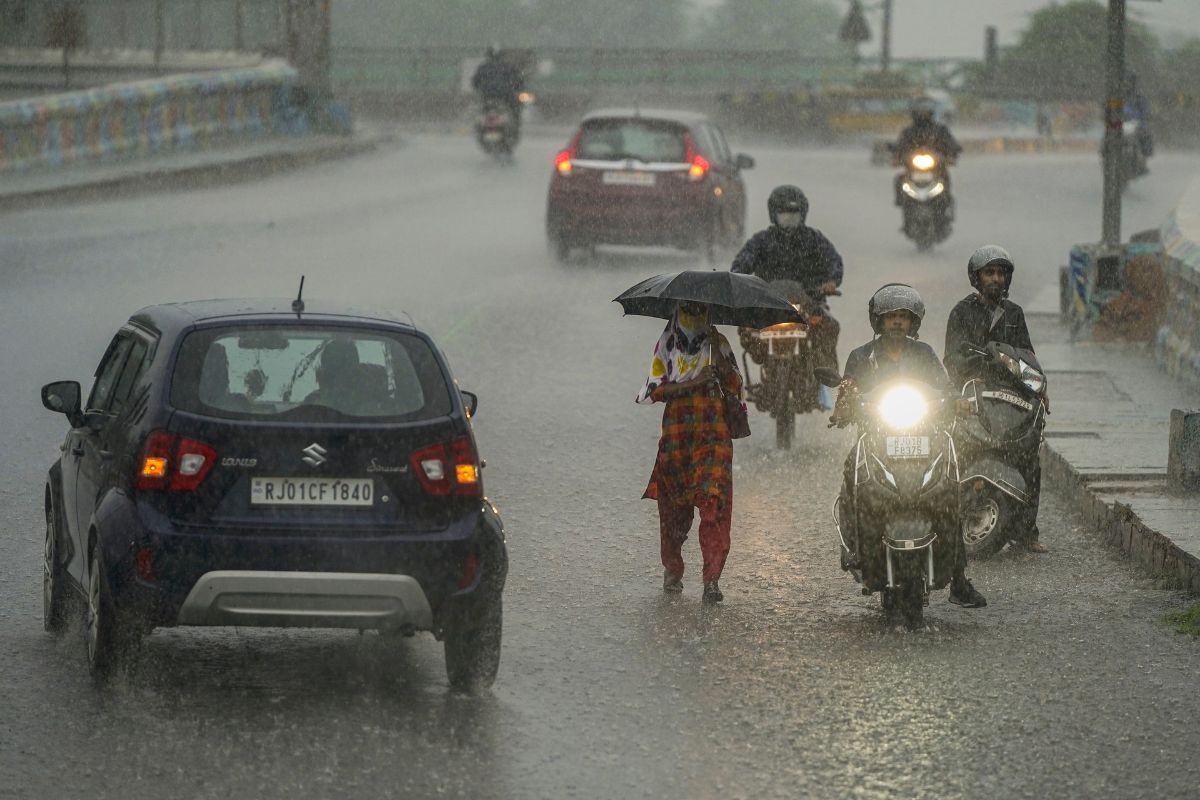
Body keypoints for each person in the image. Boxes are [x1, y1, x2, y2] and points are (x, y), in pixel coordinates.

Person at [832, 283, 988, 608]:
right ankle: (856, 549)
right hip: (876, 440)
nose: (898, 323)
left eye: (904, 317)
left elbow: (945, 386)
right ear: (879, 321)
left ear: (913, 322)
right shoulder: (862, 356)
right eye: (891, 317)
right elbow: (847, 389)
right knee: (853, 479)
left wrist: (957, 401)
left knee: (950, 494)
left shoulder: (925, 354)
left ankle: (958, 579)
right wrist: (845, 402)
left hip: (925, 438)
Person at [943, 245, 1048, 554]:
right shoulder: (961, 312)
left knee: (1030, 457)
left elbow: (1027, 356)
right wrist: (971, 376)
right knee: (953, 449)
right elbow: (952, 359)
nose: (995, 279)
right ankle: (944, 518)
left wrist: (1039, 387)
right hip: (972, 393)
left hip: (1009, 395)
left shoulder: (1014, 313)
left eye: (1001, 273)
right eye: (989, 273)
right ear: (977, 278)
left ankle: (1026, 531)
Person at [637, 302, 744, 603]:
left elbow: (736, 386)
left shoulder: (718, 343)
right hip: (678, 436)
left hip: (714, 435)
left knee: (714, 504)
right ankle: (672, 568)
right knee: (673, 511)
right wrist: (693, 382)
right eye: (689, 309)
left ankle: (712, 579)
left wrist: (721, 368)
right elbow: (655, 390)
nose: (695, 315)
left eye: (701, 309)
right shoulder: (668, 342)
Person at [731, 185, 843, 369]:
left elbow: (834, 261)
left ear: (803, 214)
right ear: (773, 214)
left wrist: (831, 281)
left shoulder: (813, 239)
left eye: (794, 214)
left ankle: (827, 377)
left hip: (808, 303)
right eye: (783, 213)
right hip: (768, 305)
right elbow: (744, 260)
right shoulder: (762, 241)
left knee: (829, 326)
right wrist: (739, 279)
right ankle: (763, 363)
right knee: (746, 327)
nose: (789, 219)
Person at [893, 97, 962, 206]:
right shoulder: (908, 132)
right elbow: (899, 146)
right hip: (912, 168)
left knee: (944, 177)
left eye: (925, 111)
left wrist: (952, 154)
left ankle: (945, 204)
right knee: (899, 180)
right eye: (920, 111)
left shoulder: (940, 130)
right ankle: (902, 203)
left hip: (936, 168)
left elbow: (951, 143)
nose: (922, 114)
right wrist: (897, 156)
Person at [471, 45, 525, 123]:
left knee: (480, 109)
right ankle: (515, 125)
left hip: (487, 96)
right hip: (505, 96)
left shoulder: (484, 67)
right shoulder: (508, 67)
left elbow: (475, 81)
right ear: (501, 55)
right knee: (515, 109)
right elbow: (518, 80)